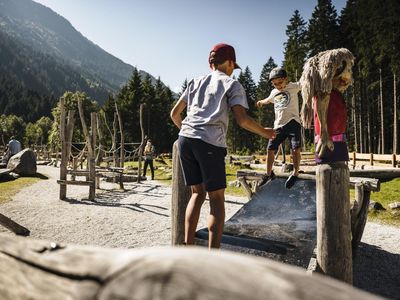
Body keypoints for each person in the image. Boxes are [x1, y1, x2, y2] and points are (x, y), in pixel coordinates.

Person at [170, 43, 276, 249]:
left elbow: (174, 114)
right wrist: (266, 132)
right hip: (209, 142)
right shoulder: (231, 84)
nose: (232, 70)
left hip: (185, 139)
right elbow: (242, 120)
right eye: (232, 66)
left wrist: (189, 130)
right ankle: (213, 255)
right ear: (228, 62)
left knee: (196, 193)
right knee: (216, 199)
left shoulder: (195, 81)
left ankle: (187, 247)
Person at [256, 67, 302, 189]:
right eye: (275, 84)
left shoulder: (294, 86)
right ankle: (268, 173)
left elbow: (306, 82)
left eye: (280, 83)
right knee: (270, 149)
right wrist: (261, 102)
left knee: (295, 148)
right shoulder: (274, 92)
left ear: (286, 79)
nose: (278, 86)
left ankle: (295, 173)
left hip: (293, 123)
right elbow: (267, 100)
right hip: (278, 125)